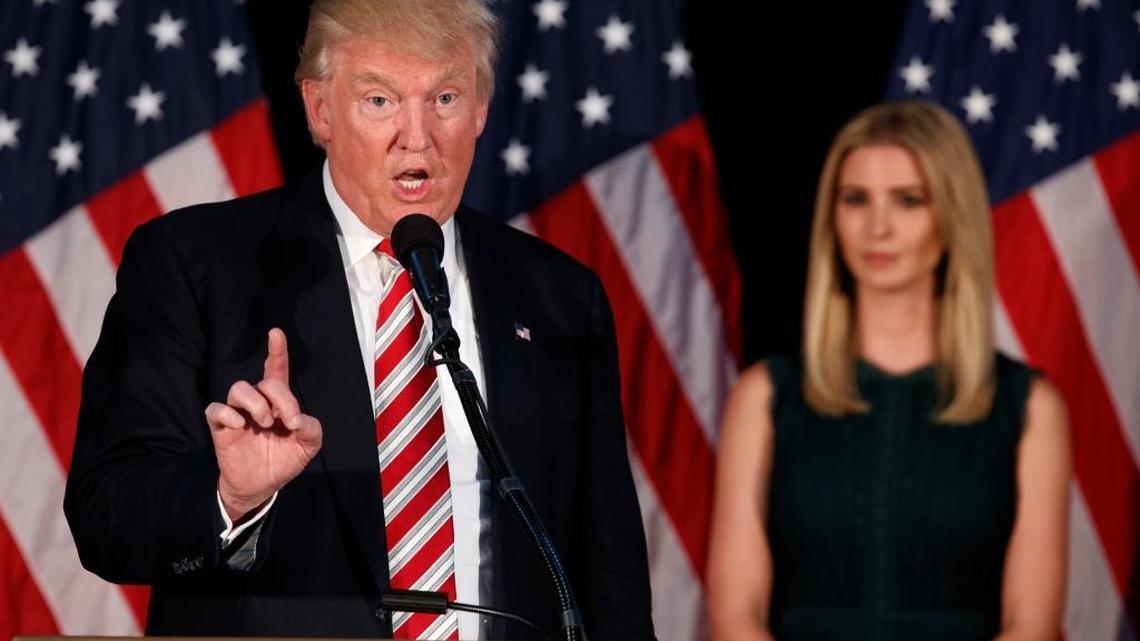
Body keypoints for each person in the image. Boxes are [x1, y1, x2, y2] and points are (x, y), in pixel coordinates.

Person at [63, 1, 654, 639]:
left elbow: (608, 570)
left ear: (482, 107)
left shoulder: (558, 296)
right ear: (319, 108)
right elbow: (105, 517)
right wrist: (229, 498)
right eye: (380, 101)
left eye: (446, 97)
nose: (418, 136)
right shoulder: (193, 266)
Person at [706, 100, 1070, 641]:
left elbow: (1031, 626)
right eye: (856, 199)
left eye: (908, 201)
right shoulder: (764, 397)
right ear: (832, 215)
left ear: (952, 216)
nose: (878, 227)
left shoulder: (1029, 408)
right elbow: (736, 618)